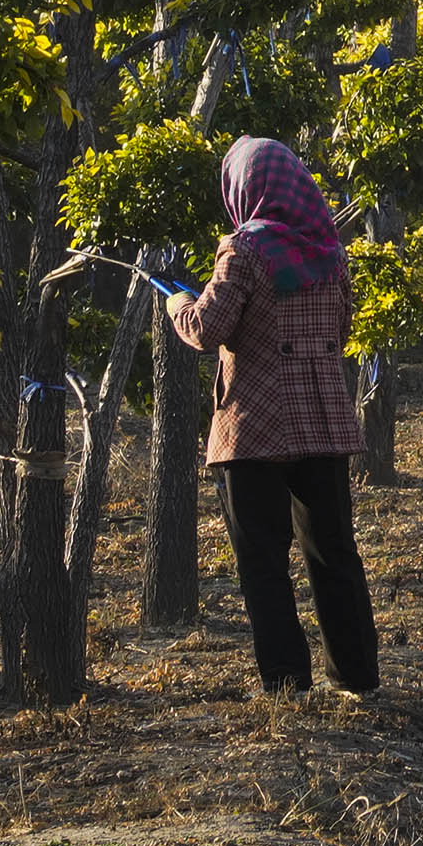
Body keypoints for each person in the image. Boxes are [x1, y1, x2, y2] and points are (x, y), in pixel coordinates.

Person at [166, 135, 379, 696]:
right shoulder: (332, 253)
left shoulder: (244, 249)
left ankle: (287, 685)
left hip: (254, 428)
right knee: (334, 554)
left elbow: (207, 330)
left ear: (244, 187)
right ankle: (356, 676)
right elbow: (343, 329)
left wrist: (177, 305)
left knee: (264, 563)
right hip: (324, 424)